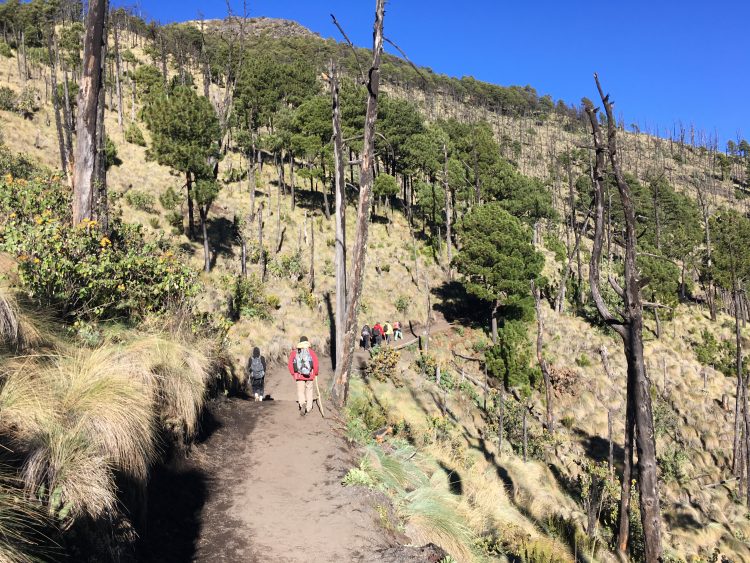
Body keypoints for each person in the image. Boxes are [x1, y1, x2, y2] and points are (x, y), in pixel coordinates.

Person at [288, 336, 320, 416]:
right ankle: (308, 408)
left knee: (300, 391)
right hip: (310, 375)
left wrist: (293, 373)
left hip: (299, 376)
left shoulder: (295, 352)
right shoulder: (311, 352)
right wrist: (315, 373)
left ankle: (302, 404)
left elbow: (290, 364)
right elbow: (316, 364)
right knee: (309, 391)